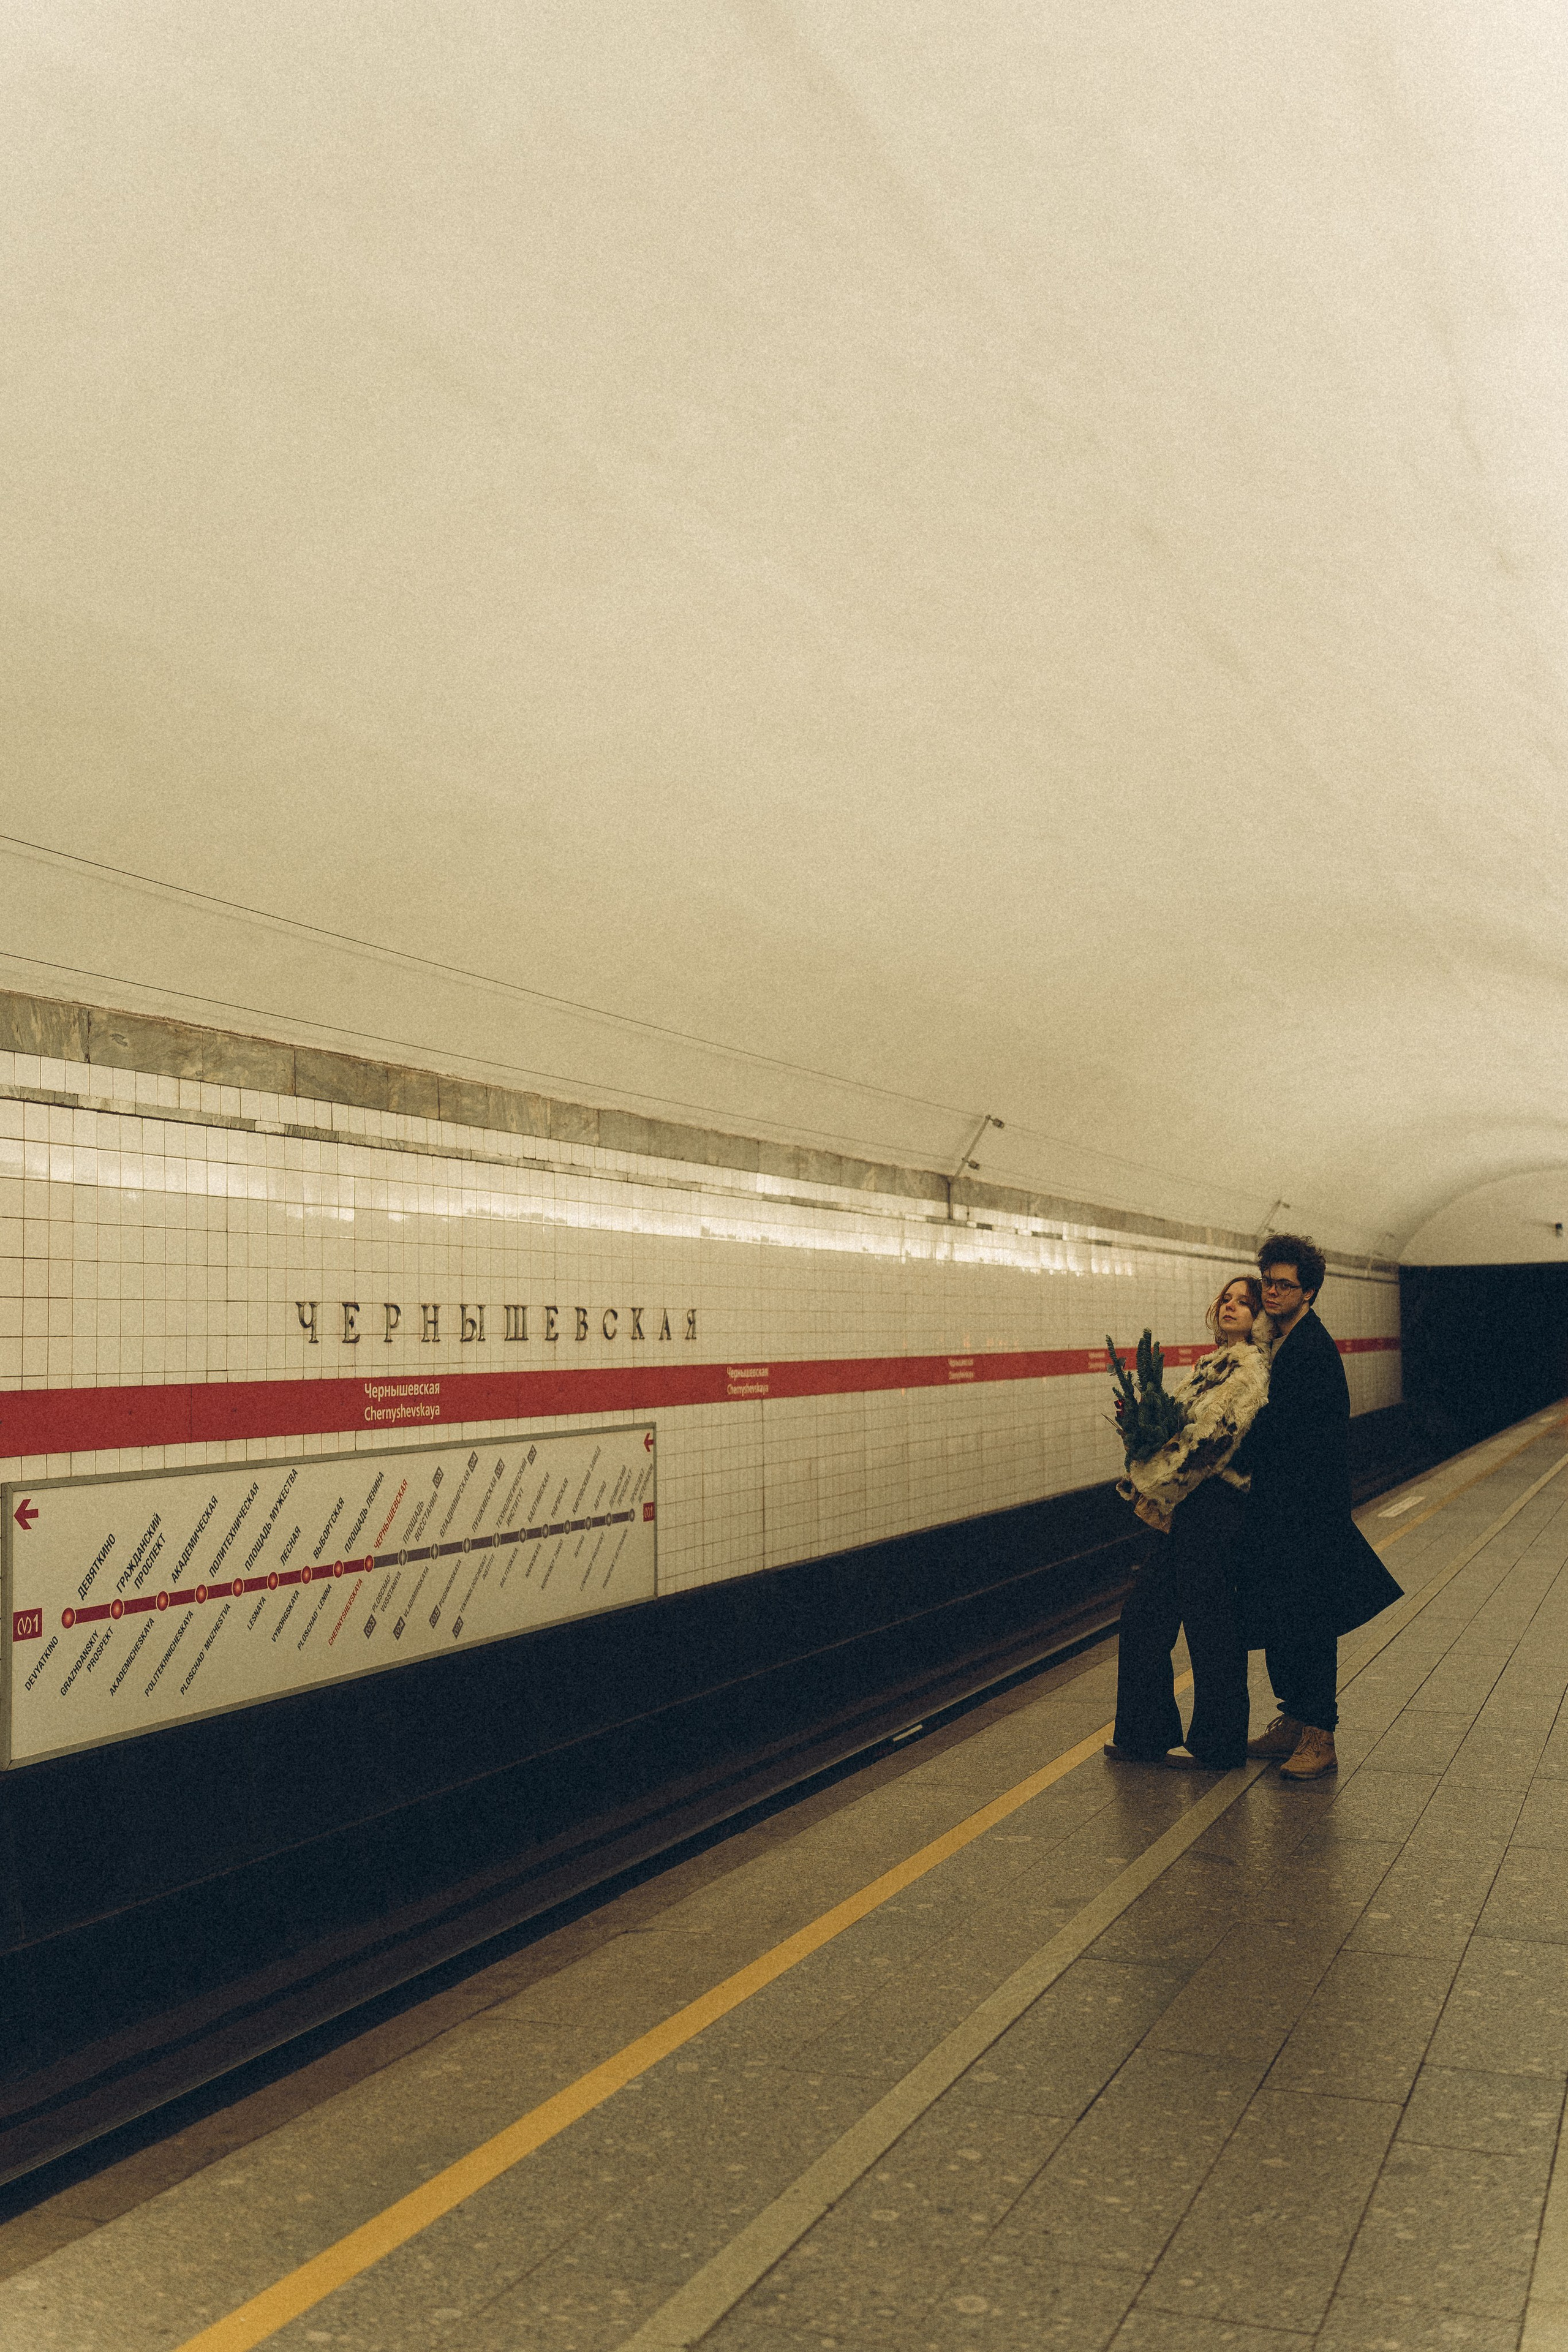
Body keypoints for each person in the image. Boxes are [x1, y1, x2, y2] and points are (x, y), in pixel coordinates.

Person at [1234, 1234, 1403, 1781]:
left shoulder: (1311, 1348)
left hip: (1306, 1513)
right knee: (1281, 1617)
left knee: (1309, 1622)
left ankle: (1319, 1734)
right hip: (1279, 1509)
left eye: (1286, 1284)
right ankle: (1293, 1719)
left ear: (1308, 1292)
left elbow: (1289, 1432)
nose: (1274, 1291)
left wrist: (1227, 1448)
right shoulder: (1277, 1342)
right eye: (1269, 1282)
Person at [1104, 1276, 1270, 1771]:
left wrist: (1151, 1479)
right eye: (1227, 1299)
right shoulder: (1210, 1367)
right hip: (1186, 1508)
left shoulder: (1251, 1372)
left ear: (1260, 1316)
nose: (1232, 1307)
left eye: (1246, 1302)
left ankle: (1218, 1744)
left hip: (1215, 1509)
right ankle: (1145, 1732)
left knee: (1211, 1626)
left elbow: (1212, 1443)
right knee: (1144, 1618)